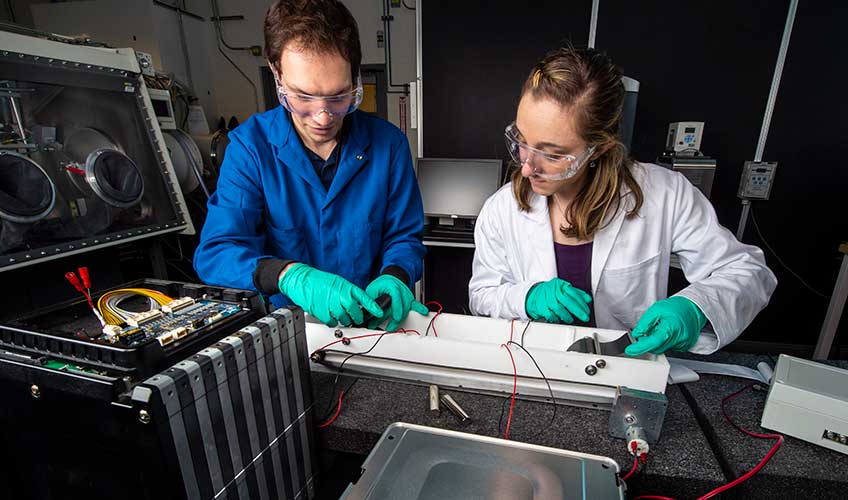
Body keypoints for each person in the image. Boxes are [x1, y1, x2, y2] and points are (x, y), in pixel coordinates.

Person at [468, 46, 777, 356]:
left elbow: (748, 272)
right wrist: (526, 298)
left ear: (599, 147)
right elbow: (482, 295)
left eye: (552, 154)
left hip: (630, 368)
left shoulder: (665, 194)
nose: (526, 168)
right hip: (535, 364)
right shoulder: (501, 209)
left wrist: (695, 308)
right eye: (522, 141)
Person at [194, 0, 427, 331]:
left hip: (370, 325)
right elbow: (217, 252)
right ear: (276, 72)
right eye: (303, 97)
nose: (323, 117)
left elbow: (404, 238)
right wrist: (287, 275)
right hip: (287, 329)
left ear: (355, 76)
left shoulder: (388, 146)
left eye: (339, 96)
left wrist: (396, 274)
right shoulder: (250, 149)